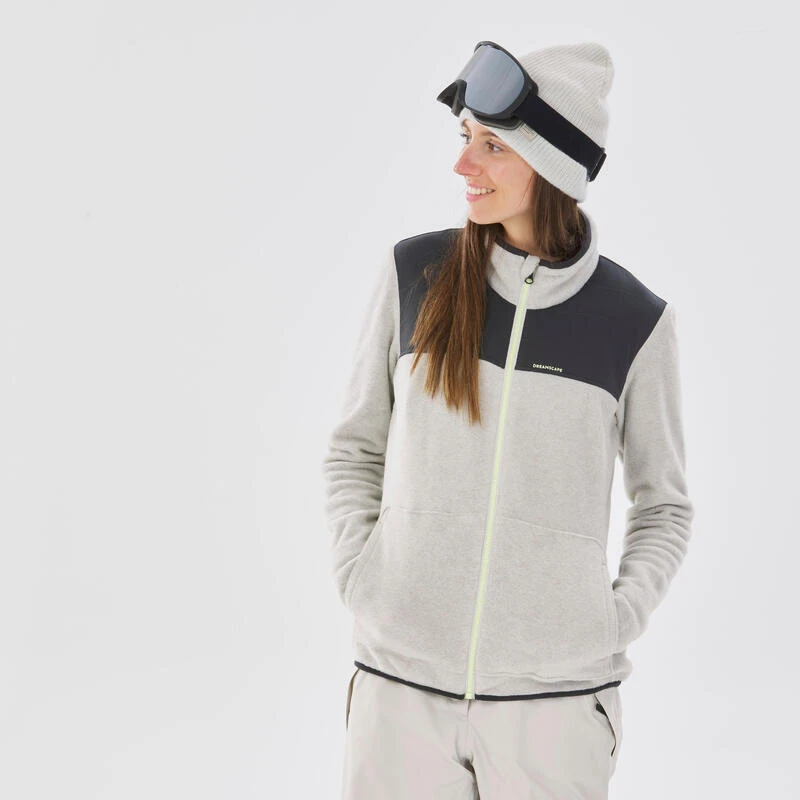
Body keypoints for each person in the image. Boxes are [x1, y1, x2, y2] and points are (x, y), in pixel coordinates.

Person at [322, 40, 694, 800]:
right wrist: (365, 579)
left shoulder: (633, 323)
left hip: (553, 710)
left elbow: (664, 505)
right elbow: (355, 448)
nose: (464, 164)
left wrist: (609, 621)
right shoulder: (415, 277)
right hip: (400, 693)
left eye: (493, 146)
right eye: (466, 139)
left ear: (553, 165)